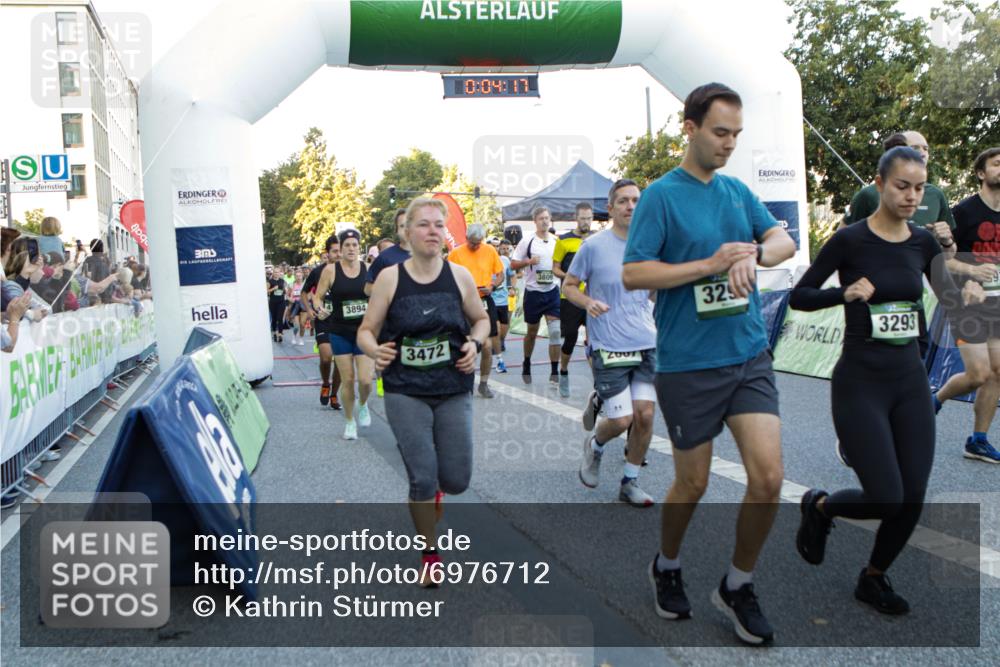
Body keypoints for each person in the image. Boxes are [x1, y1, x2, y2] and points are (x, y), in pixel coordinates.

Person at [622, 82, 796, 645]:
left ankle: (738, 584)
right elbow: (635, 274)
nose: (729, 144)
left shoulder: (737, 192)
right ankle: (666, 564)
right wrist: (710, 263)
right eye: (720, 132)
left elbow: (782, 242)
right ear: (690, 128)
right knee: (691, 484)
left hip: (747, 355)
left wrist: (753, 253)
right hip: (687, 364)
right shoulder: (660, 197)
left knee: (767, 478)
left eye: (736, 135)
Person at [791, 146, 984, 614]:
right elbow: (800, 295)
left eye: (919, 188)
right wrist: (844, 292)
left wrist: (970, 292)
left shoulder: (922, 243)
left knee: (911, 496)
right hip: (860, 380)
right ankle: (821, 508)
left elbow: (949, 299)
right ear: (879, 184)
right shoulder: (849, 241)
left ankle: (873, 577)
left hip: (909, 380)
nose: (912, 197)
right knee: (886, 495)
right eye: (902, 186)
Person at [357, 197, 489, 587]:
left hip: (452, 387)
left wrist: (475, 345)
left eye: (438, 225)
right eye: (423, 225)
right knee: (422, 477)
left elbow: (481, 320)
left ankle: (437, 495)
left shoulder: (460, 277)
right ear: (407, 233)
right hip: (405, 389)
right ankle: (430, 554)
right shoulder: (390, 278)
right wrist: (373, 349)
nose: (432, 231)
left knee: (457, 479)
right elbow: (366, 329)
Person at [565, 179, 657, 507]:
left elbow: (656, 288)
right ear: (611, 208)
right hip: (608, 344)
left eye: (635, 201)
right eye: (623, 201)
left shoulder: (652, 245)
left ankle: (630, 482)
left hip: (647, 342)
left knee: (645, 416)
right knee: (622, 420)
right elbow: (569, 286)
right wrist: (587, 302)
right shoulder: (593, 246)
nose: (631, 206)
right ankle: (596, 446)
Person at [931, 147, 1000, 462]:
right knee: (978, 374)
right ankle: (935, 401)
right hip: (967, 300)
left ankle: (978, 440)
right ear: (981, 173)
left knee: (998, 372)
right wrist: (972, 272)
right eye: (997, 164)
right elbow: (941, 261)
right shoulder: (963, 212)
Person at [313, 229, 375, 440]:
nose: (350, 249)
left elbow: (378, 295)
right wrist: (319, 308)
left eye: (354, 245)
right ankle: (350, 422)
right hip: (339, 331)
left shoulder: (368, 268)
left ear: (359, 247)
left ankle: (363, 403)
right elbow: (317, 296)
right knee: (348, 380)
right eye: (346, 245)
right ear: (340, 249)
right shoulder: (330, 271)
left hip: (364, 332)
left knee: (366, 380)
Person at [843, 131, 955, 239]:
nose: (922, 153)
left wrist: (947, 242)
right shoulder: (868, 195)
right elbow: (841, 240)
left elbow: (949, 253)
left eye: (925, 149)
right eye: (915, 148)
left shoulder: (937, 195)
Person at [448, 223, 504, 398]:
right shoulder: (455, 254)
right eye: (473, 243)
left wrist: (492, 285)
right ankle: (461, 382)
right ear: (466, 239)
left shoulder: (489, 250)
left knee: (487, 346)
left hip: (484, 300)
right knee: (463, 345)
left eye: (479, 242)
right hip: (463, 302)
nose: (476, 246)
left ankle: (484, 383)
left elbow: (501, 274)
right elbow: (445, 277)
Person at [510, 207, 561, 386]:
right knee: (531, 333)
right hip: (533, 293)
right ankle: (526, 363)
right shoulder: (527, 241)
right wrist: (528, 262)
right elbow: (513, 264)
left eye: (547, 218)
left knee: (555, 332)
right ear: (535, 221)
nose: (545, 221)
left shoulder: (557, 241)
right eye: (541, 219)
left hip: (553, 291)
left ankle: (554, 371)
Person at [552, 202, 595, 397]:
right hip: (569, 296)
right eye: (582, 218)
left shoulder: (597, 239)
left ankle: (599, 384)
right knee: (570, 338)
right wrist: (570, 278)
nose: (585, 222)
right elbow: (555, 268)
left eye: (589, 218)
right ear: (576, 218)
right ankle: (564, 371)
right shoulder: (564, 240)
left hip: (592, 297)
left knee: (594, 340)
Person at [302, 236, 342, 410]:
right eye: (335, 251)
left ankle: (334, 394)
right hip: (323, 319)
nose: (338, 254)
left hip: (342, 322)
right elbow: (304, 293)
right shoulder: (318, 272)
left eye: (340, 251)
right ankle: (326, 383)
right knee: (326, 357)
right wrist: (310, 310)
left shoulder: (351, 271)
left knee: (341, 361)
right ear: (328, 253)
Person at [492, 239, 519, 372]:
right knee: (494, 324)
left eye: (506, 248)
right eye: (500, 248)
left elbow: (514, 275)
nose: (504, 250)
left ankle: (501, 340)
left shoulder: (506, 261)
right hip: (489, 298)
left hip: (504, 298)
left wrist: (512, 288)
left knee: (505, 323)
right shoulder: (486, 259)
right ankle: (495, 343)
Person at [366, 209, 412, 288]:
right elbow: (367, 288)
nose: (406, 229)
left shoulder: (429, 256)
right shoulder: (384, 257)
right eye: (402, 226)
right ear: (396, 230)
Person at [266, 266, 286, 342]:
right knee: (274, 319)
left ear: (279, 273)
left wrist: (285, 290)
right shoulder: (270, 281)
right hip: (273, 302)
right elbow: (266, 291)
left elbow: (284, 289)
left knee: (280, 318)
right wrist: (273, 289)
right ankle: (274, 333)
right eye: (275, 272)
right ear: (273, 273)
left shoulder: (282, 280)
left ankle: (280, 334)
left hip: (281, 301)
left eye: (278, 272)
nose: (276, 274)